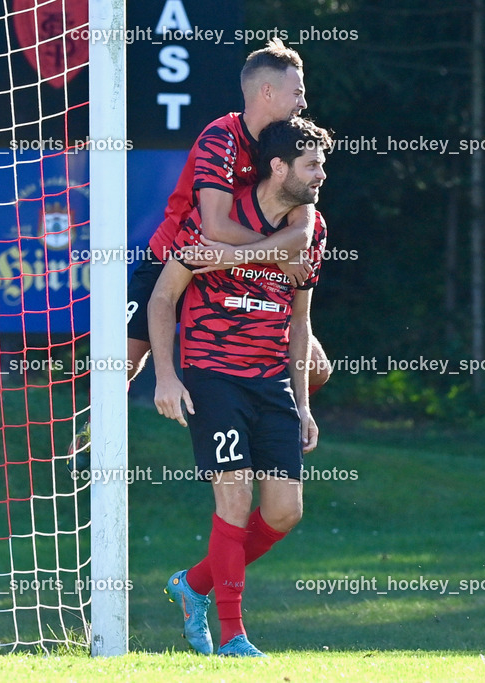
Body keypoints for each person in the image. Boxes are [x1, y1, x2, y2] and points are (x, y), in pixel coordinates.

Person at [67, 40, 330, 463]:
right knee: (123, 364)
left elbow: (302, 230)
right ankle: (90, 436)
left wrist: (270, 253)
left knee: (317, 367)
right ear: (267, 92)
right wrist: (276, 254)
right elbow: (215, 227)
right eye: (296, 92)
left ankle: (272, 416)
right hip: (177, 256)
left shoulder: (289, 145)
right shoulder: (222, 137)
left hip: (236, 270)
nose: (303, 102)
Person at [150, 117, 331, 657]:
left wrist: (303, 405)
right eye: (312, 165)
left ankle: (193, 584)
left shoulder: (313, 231)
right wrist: (166, 375)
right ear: (279, 167)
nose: (321, 175)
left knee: (284, 512)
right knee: (234, 496)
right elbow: (163, 299)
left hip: (271, 381)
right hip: (213, 375)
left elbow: (300, 322)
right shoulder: (218, 218)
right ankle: (233, 638)